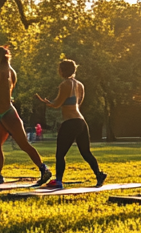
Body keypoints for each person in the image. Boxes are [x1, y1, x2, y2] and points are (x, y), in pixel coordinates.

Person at [0, 45, 49, 186]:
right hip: (0, 114)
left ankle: (44, 169)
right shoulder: (10, 71)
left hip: (8, 113)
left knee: (24, 144)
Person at [36, 58, 105, 189]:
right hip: (81, 121)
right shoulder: (80, 85)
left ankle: (59, 181)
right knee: (86, 152)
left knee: (60, 154)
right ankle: (99, 174)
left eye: (59, 69)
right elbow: (78, 103)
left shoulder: (64, 85)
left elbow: (57, 103)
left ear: (62, 70)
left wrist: (46, 102)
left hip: (70, 122)